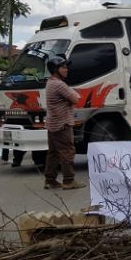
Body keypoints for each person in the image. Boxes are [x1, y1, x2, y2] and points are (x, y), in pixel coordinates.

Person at [44, 56, 86, 189]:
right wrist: (74, 93)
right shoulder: (59, 84)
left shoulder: (50, 82)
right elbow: (76, 99)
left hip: (53, 124)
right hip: (62, 124)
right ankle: (69, 180)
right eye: (63, 67)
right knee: (67, 151)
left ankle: (50, 180)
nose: (66, 69)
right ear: (56, 69)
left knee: (54, 153)